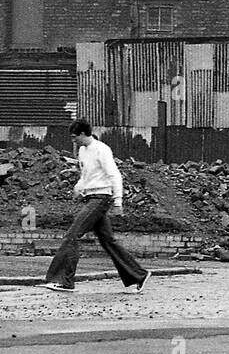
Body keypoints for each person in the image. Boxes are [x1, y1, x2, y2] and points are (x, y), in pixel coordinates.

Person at [41, 119, 151, 293]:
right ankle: (138, 275)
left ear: (84, 134)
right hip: (90, 197)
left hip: (101, 198)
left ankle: (64, 281)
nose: (73, 140)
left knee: (72, 236)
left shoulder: (102, 149)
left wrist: (118, 201)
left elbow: (114, 175)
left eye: (74, 137)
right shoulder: (82, 151)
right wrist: (78, 188)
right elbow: (85, 175)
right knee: (109, 241)